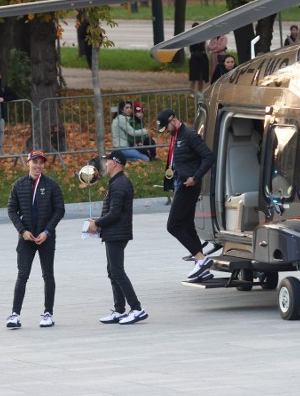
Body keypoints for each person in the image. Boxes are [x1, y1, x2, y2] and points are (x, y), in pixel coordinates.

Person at [87, 150, 148, 325]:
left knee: (117, 272)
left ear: (115, 163)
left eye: (107, 162)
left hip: (117, 233)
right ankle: (120, 310)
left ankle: (137, 309)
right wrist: (98, 220)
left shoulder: (120, 184)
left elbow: (115, 213)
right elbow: (112, 211)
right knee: (112, 271)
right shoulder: (116, 182)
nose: (105, 164)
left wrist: (97, 224)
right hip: (114, 232)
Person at [6, 150, 66, 329]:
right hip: (26, 238)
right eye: (35, 162)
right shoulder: (19, 185)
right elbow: (11, 210)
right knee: (22, 275)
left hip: (46, 237)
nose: (38, 165)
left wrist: (47, 231)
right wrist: (22, 231)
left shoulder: (51, 185)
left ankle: (48, 313)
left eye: (41, 162)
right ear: (28, 162)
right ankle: (15, 314)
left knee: (48, 274)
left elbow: (60, 210)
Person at [156, 108, 215, 281]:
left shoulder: (189, 135)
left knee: (173, 225)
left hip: (188, 186)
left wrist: (195, 177)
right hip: (180, 184)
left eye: (166, 127)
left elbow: (208, 157)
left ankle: (201, 260)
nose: (166, 131)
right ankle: (202, 268)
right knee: (188, 225)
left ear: (173, 120)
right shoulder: (176, 136)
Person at [188, 23, 209, 96]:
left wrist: (207, 55)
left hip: (202, 57)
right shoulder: (190, 37)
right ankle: (191, 92)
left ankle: (200, 91)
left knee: (201, 76)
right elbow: (188, 49)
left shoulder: (203, 36)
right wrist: (190, 56)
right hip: (194, 58)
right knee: (193, 76)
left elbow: (206, 47)